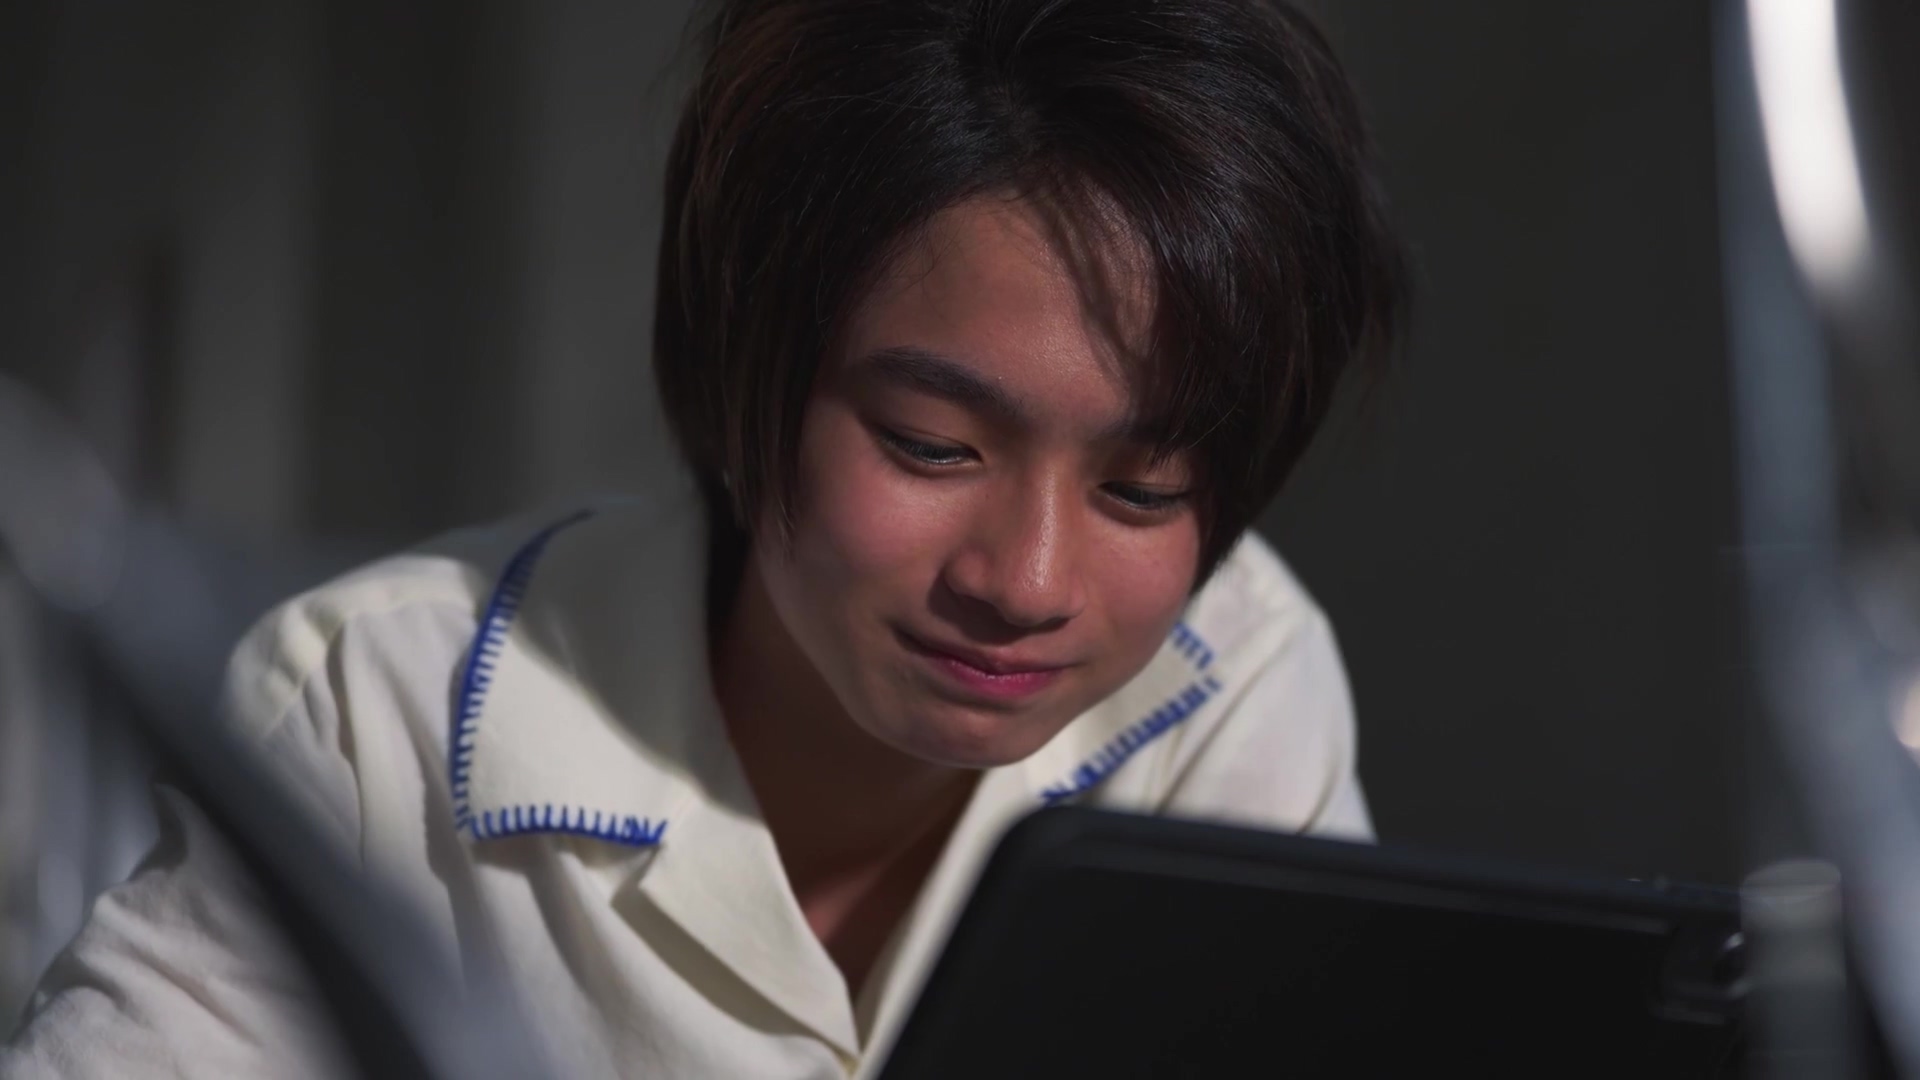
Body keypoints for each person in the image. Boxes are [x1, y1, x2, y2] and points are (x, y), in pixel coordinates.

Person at [2, 0, 1406, 1075]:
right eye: (931, 443)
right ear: (743, 377)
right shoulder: (386, 711)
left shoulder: (1235, 685)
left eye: (1145, 489)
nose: (1027, 581)